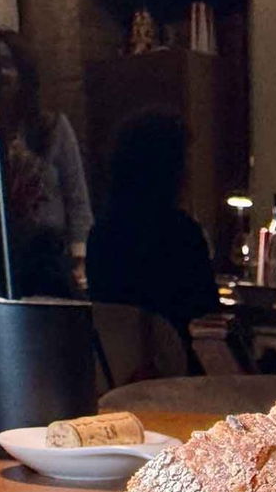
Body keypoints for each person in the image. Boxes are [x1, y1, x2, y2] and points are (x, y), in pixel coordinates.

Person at [86, 111, 218, 338]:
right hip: (175, 362)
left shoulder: (102, 233)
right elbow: (205, 306)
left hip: (121, 365)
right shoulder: (181, 234)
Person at [0, 30, 93, 296]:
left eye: (8, 64)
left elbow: (76, 197)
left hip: (47, 257)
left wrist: (81, 259)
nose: (1, 74)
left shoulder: (51, 127)